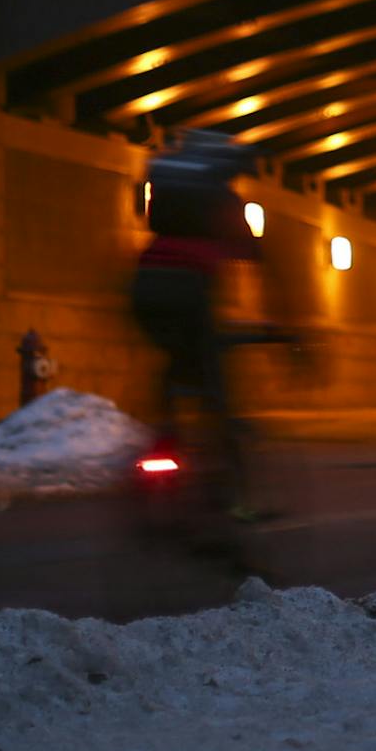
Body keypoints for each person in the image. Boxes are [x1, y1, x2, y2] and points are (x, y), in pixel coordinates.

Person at [129, 130, 294, 520]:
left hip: (143, 289)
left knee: (173, 365)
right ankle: (237, 504)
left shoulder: (165, 214)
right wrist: (284, 329)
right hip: (191, 296)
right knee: (217, 398)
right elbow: (264, 270)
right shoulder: (226, 207)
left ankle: (162, 448)